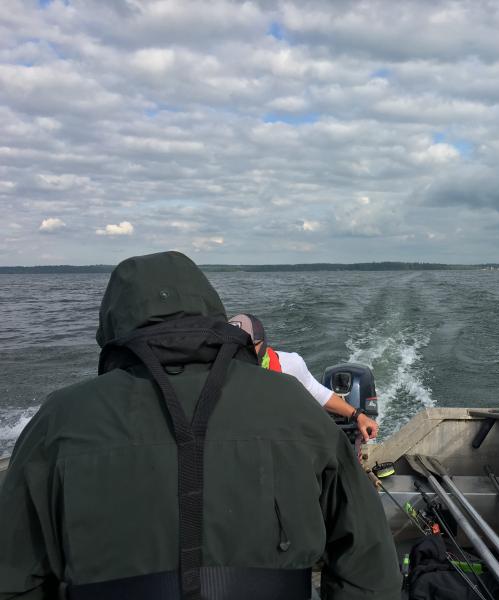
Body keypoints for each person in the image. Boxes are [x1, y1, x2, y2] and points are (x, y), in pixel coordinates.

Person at [0, 251, 400, 600]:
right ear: (211, 312)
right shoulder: (293, 402)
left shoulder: (59, 418)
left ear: (111, 325)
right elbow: (369, 562)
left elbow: (13, 575)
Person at [228, 313, 379, 441]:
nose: (241, 352)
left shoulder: (290, 364)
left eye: (249, 345)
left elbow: (317, 392)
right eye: (233, 346)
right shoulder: (218, 375)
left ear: (262, 343)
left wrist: (358, 416)